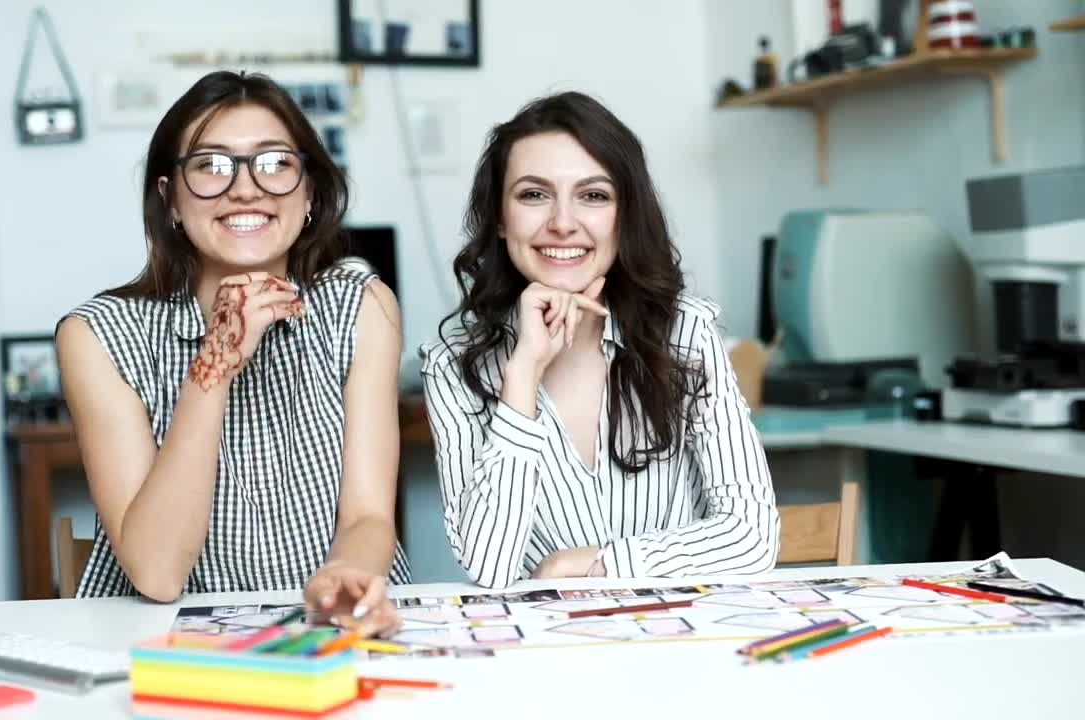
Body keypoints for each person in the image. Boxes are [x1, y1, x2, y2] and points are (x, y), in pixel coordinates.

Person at [56, 71, 408, 633]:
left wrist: (343, 577)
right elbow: (157, 571)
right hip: (163, 636)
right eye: (211, 165)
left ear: (309, 192)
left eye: (273, 163)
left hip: (336, 629)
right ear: (171, 198)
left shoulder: (361, 306)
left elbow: (368, 514)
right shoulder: (96, 336)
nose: (245, 189)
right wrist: (214, 364)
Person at [420, 92, 779, 589]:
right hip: (546, 649)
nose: (563, 223)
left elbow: (753, 536)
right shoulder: (451, 367)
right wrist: (523, 371)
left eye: (593, 195)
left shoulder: (685, 334)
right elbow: (491, 567)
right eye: (533, 195)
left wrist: (600, 562)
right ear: (501, 219)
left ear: (624, 216)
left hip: (689, 638)